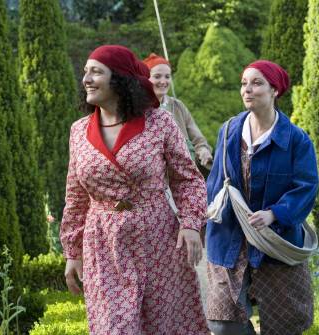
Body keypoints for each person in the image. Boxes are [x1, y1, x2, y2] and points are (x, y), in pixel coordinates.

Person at [60, 45, 209, 335]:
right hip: (103, 243)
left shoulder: (159, 123)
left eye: (96, 72)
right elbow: (76, 196)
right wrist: (72, 251)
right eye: (85, 72)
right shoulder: (78, 131)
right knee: (114, 327)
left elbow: (187, 179)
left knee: (164, 327)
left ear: (119, 79)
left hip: (157, 238)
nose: (86, 79)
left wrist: (191, 224)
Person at [205, 60, 319, 335]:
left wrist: (275, 214)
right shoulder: (229, 131)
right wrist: (202, 221)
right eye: (244, 83)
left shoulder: (296, 139)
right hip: (229, 236)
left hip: (274, 241)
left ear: (274, 90)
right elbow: (215, 183)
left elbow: (306, 186)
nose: (248, 89)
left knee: (284, 324)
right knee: (222, 324)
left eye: (257, 83)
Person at [143, 53, 213, 168]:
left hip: (183, 171)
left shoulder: (177, 105)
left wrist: (203, 149)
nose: (163, 81)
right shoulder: (138, 108)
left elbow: (197, 137)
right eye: (157, 76)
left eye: (167, 76)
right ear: (146, 79)